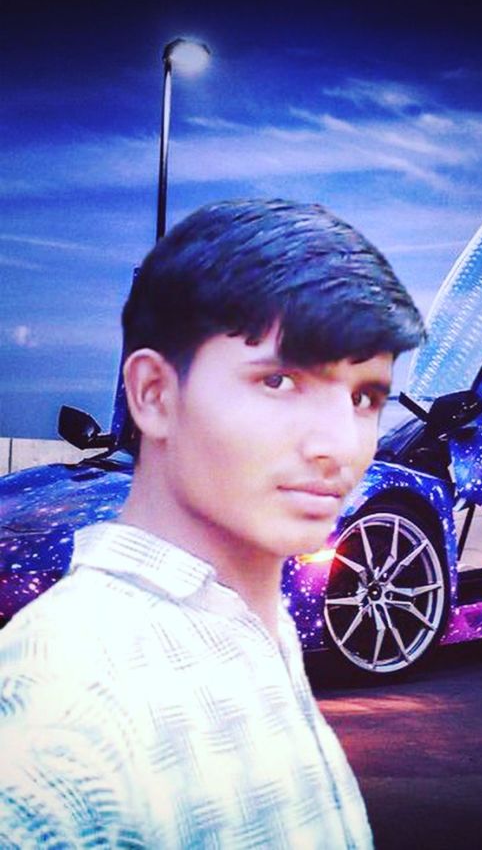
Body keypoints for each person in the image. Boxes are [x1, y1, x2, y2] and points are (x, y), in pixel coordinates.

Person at [0, 199, 425, 848]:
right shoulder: (62, 698)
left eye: (365, 396)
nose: (340, 444)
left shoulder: (259, 627)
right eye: (280, 381)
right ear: (153, 395)